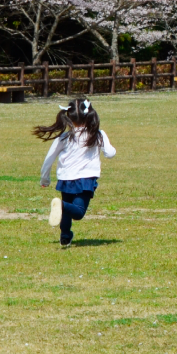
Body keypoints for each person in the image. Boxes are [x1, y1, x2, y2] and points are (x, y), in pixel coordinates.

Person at [35, 97, 116, 247]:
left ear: (69, 117)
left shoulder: (64, 137)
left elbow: (49, 159)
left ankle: (65, 236)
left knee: (67, 209)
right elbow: (110, 153)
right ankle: (60, 206)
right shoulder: (98, 134)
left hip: (65, 179)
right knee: (77, 212)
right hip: (85, 180)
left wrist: (45, 179)